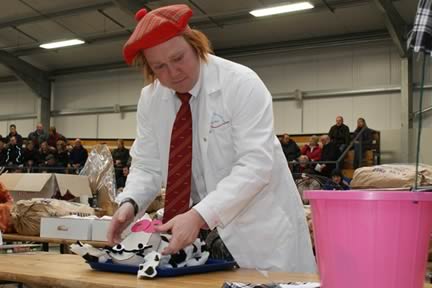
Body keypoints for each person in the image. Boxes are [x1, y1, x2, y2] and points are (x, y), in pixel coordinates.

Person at [107, 4, 315, 273]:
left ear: (196, 45)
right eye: (159, 67)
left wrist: (199, 215)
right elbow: (147, 165)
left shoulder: (241, 83)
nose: (173, 73)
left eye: (179, 58)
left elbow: (255, 165)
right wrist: (129, 203)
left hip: (260, 231)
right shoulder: (151, 99)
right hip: (204, 237)